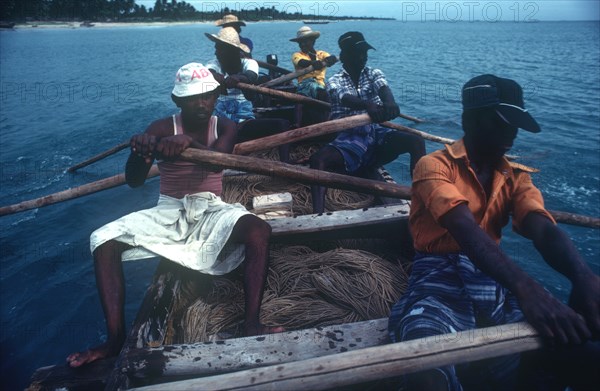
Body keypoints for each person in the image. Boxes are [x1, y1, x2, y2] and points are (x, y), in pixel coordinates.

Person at [387, 74, 600, 390]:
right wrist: (527, 288)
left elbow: (542, 229)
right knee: (425, 367)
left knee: (577, 348)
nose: (510, 134)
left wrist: (582, 275)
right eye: (499, 123)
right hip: (437, 275)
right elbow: (464, 230)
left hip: (492, 278)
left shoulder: (515, 176)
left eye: (514, 124)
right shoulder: (434, 166)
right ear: (468, 120)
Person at [66, 63, 284, 368]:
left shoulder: (225, 125)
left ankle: (251, 323)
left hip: (211, 206)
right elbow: (135, 180)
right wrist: (140, 153)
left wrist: (188, 143)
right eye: (194, 98)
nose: (202, 103)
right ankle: (115, 339)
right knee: (103, 241)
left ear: (215, 96)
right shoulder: (159, 129)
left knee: (259, 231)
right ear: (178, 101)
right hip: (170, 209)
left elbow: (216, 163)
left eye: (208, 96)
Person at [309, 31, 425, 213]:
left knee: (416, 141)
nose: (363, 57)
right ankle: (317, 216)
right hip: (350, 136)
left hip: (376, 134)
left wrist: (390, 104)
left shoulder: (373, 73)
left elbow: (383, 88)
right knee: (317, 161)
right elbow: (344, 97)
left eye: (365, 53)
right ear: (344, 57)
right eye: (357, 53)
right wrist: (367, 105)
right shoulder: (334, 80)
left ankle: (422, 200)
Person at [205, 27, 290, 158]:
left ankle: (286, 164)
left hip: (243, 121)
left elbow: (251, 76)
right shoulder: (214, 64)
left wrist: (238, 78)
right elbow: (208, 73)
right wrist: (220, 78)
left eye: (219, 48)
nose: (216, 53)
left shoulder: (249, 63)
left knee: (283, 124)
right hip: (221, 122)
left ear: (231, 50)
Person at [290, 26, 337, 127]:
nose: (302, 44)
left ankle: (329, 121)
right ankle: (297, 124)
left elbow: (330, 58)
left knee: (327, 94)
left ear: (313, 41)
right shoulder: (297, 54)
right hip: (304, 84)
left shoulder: (321, 54)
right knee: (300, 99)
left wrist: (331, 59)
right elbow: (301, 62)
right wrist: (313, 63)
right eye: (300, 42)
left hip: (320, 84)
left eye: (305, 41)